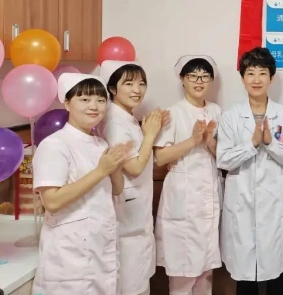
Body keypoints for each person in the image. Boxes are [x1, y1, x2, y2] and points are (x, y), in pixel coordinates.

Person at [31, 73, 132, 294]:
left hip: (100, 249)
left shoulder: (100, 143)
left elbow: (116, 190)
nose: (94, 106)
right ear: (67, 103)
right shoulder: (55, 145)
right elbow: (52, 202)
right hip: (69, 258)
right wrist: (101, 170)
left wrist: (115, 164)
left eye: (100, 100)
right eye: (85, 99)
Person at [216, 47, 283, 295]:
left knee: (277, 273)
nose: (256, 79)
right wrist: (252, 144)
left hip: (276, 206)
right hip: (242, 205)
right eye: (250, 73)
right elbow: (223, 159)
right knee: (245, 275)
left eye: (262, 73)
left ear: (271, 78)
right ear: (242, 78)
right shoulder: (231, 116)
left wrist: (270, 143)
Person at [153, 55, 222, 295]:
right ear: (182, 80)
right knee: (182, 272)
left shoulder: (216, 111)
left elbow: (222, 156)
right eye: (193, 76)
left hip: (209, 194)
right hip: (182, 195)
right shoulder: (172, 113)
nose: (199, 81)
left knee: (206, 271)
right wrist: (192, 141)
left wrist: (209, 141)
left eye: (204, 76)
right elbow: (161, 157)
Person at [100, 60, 169, 295]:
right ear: (112, 89)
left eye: (141, 84)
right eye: (128, 84)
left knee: (138, 282)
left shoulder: (127, 117)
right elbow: (134, 167)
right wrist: (150, 135)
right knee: (130, 285)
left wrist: (151, 130)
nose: (137, 90)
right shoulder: (113, 122)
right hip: (126, 220)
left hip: (136, 217)